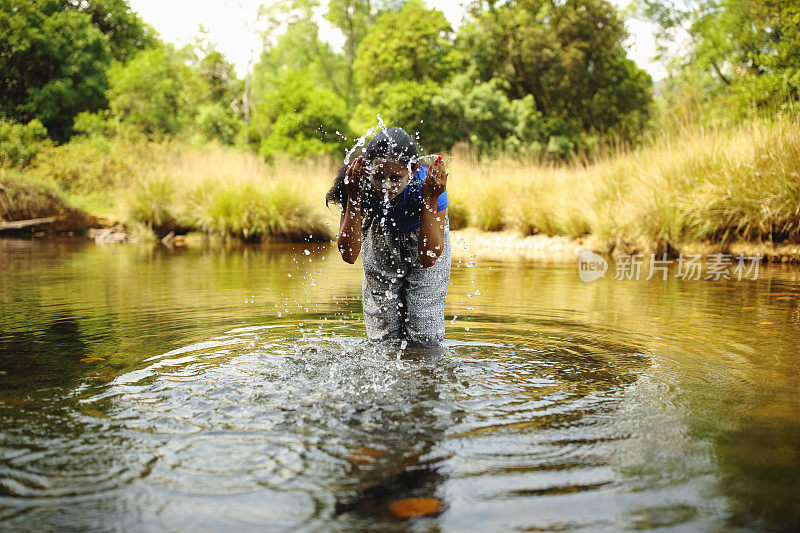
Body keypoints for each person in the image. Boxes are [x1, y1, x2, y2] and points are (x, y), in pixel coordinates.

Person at [325, 127, 450, 345]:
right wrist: (354, 197)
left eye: (396, 178)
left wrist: (430, 199)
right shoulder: (356, 181)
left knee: (425, 335)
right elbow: (348, 254)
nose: (386, 186)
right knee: (384, 337)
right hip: (379, 236)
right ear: (368, 169)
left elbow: (429, 258)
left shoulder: (427, 184)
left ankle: (424, 377)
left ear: (413, 170)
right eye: (379, 176)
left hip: (423, 234)